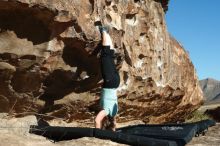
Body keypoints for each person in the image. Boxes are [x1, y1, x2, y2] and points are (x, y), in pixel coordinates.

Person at [95, 26, 120, 131]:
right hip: (109, 82)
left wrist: (113, 131)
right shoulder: (107, 111)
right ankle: (104, 31)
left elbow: (115, 124)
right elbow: (97, 120)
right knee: (105, 55)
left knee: (110, 55)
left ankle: (107, 34)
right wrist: (98, 132)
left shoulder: (115, 112)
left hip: (115, 83)